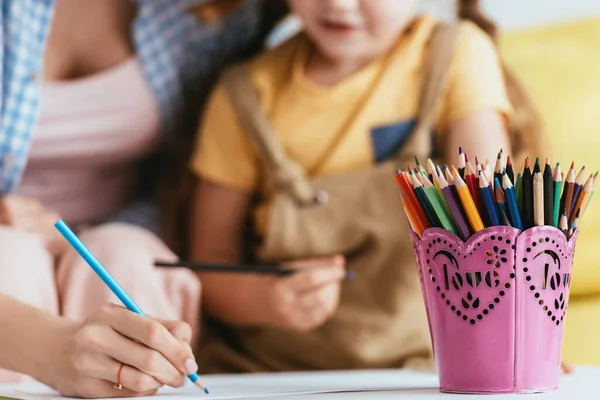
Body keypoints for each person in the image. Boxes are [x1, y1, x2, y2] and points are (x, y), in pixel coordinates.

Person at [189, 0, 516, 373]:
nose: (338, 4)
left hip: (430, 367)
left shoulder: (456, 54)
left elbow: (494, 228)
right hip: (272, 371)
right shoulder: (242, 97)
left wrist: (516, 345)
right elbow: (209, 265)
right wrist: (267, 298)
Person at [0, 0, 283, 395]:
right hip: (9, 237)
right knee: (10, 259)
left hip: (120, 225)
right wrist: (53, 347)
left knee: (129, 260)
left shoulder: (209, 14)